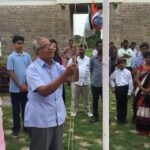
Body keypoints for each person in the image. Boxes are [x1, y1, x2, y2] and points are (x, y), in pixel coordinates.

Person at [24, 37, 78, 150]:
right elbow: (44, 91)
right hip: (41, 120)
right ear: (37, 51)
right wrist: (64, 75)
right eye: (46, 46)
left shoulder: (57, 66)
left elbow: (73, 78)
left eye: (51, 45)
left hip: (58, 117)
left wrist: (74, 61)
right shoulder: (32, 69)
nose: (51, 48)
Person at [7, 35, 32, 137]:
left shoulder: (27, 56)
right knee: (16, 110)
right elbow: (10, 72)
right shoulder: (11, 57)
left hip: (26, 88)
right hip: (15, 89)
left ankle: (26, 126)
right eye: (18, 43)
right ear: (14, 44)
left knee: (26, 108)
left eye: (21, 43)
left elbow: (30, 70)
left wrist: (26, 84)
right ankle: (16, 128)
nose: (20, 45)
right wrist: (20, 85)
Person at [68, 45, 92, 117]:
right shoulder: (74, 59)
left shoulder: (88, 59)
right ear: (78, 51)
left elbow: (91, 68)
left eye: (83, 50)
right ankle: (74, 111)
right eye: (80, 50)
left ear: (85, 51)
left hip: (86, 82)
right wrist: (73, 60)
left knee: (86, 98)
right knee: (74, 97)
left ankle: (87, 110)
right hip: (76, 82)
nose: (81, 51)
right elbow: (68, 67)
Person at [110, 57, 133, 123]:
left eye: (122, 63)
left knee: (124, 104)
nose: (121, 65)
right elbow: (111, 78)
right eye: (119, 63)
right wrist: (113, 86)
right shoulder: (115, 72)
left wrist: (129, 92)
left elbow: (130, 82)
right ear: (118, 65)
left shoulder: (128, 72)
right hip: (118, 89)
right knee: (119, 103)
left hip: (125, 88)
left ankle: (124, 118)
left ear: (125, 64)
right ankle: (119, 118)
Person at [132, 42, 149, 122]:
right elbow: (134, 71)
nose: (144, 50)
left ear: (148, 49)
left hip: (148, 86)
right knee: (137, 100)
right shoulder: (136, 59)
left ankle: (145, 118)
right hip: (138, 84)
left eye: (145, 49)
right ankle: (135, 116)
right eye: (142, 49)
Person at [134, 51, 150, 135]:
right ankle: (141, 128)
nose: (148, 59)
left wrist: (148, 89)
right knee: (139, 106)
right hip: (141, 91)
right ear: (144, 58)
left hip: (148, 91)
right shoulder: (141, 67)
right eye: (147, 57)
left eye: (149, 57)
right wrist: (143, 88)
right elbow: (137, 79)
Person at [90, 40, 103, 122]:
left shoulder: (107, 58)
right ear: (96, 47)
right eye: (99, 46)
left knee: (104, 102)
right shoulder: (93, 59)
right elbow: (91, 70)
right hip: (95, 83)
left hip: (104, 84)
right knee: (95, 101)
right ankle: (95, 116)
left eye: (102, 45)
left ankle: (105, 117)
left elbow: (109, 70)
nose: (101, 47)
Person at [50, 39, 66, 103]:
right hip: (51, 82)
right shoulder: (48, 58)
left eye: (55, 46)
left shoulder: (58, 58)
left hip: (59, 82)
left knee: (61, 100)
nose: (53, 48)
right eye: (52, 46)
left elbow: (62, 69)